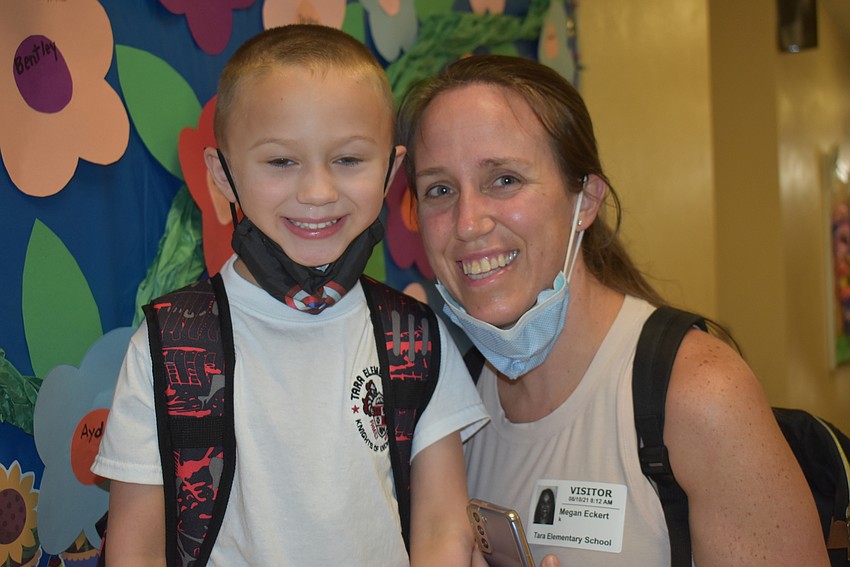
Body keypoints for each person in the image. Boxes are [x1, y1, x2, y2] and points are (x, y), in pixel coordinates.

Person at [397, 54, 829, 567]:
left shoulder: (697, 394)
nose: (467, 222)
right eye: (439, 190)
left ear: (586, 200)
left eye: (505, 179)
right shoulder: (449, 407)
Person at [92, 25, 487, 566]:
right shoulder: (168, 345)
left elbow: (443, 529)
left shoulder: (416, 339)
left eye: (348, 160)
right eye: (281, 162)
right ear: (223, 177)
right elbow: (134, 551)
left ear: (392, 171)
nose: (318, 192)